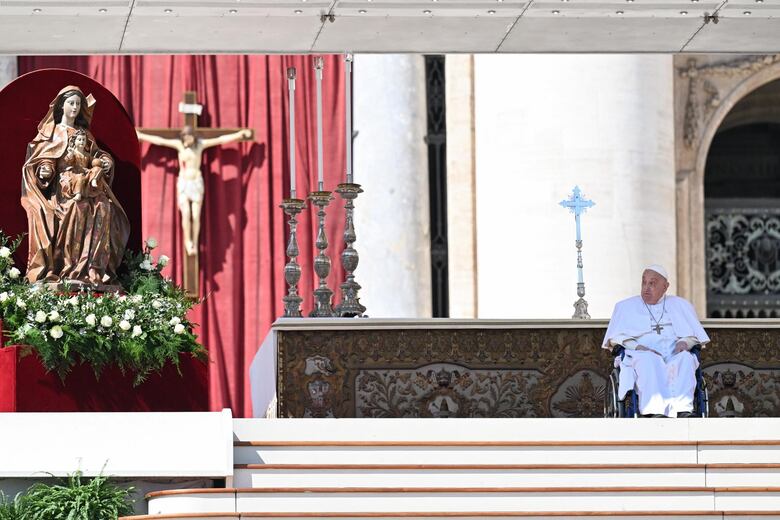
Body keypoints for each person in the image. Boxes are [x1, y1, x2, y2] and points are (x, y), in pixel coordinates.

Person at [21, 85, 130, 287]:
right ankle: (68, 267)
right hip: (63, 187)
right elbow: (43, 159)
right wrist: (45, 169)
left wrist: (106, 161)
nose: (75, 107)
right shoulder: (51, 132)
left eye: (78, 104)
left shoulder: (85, 134)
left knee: (104, 208)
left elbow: (95, 155)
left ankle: (93, 269)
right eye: (71, 103)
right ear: (62, 105)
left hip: (86, 181)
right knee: (76, 208)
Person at [602, 265, 710, 417]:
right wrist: (638, 346)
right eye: (644, 282)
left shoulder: (681, 305)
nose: (646, 288)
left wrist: (685, 342)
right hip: (640, 354)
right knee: (649, 361)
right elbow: (616, 338)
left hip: (674, 354)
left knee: (686, 359)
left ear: (665, 287)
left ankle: (683, 409)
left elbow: (695, 336)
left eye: (652, 283)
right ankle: (654, 410)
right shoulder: (626, 307)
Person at [136, 125, 252, 256]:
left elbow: (221, 139)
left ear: (193, 137)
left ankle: (194, 243)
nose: (187, 139)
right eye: (185, 137)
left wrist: (238, 135)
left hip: (196, 183)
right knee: (186, 213)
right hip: (184, 184)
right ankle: (188, 242)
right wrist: (141, 136)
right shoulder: (179, 145)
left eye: (189, 137)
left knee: (196, 215)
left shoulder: (200, 145)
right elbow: (160, 141)